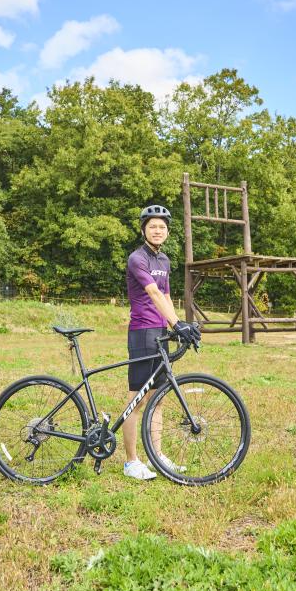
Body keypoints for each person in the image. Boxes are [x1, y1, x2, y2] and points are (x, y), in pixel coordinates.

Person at [122, 204, 200, 480]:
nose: (158, 230)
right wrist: (177, 324)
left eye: (162, 227)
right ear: (144, 229)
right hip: (142, 333)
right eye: (153, 226)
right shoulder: (137, 259)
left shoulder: (164, 261)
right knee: (137, 400)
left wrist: (178, 325)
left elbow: (166, 297)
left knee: (159, 398)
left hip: (159, 334)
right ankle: (131, 462)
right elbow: (153, 293)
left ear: (167, 232)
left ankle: (156, 456)